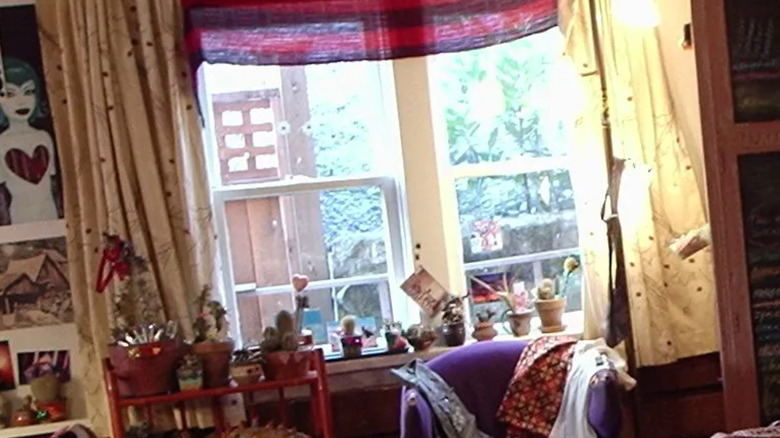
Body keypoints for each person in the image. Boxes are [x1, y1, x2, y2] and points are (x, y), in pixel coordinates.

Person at [0, 56, 60, 224]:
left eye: (28, 91)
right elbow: (2, 194)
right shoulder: (1, 143)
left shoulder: (44, 137)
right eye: (9, 94)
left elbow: (53, 183)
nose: (21, 101)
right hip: (20, 217)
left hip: (50, 213)